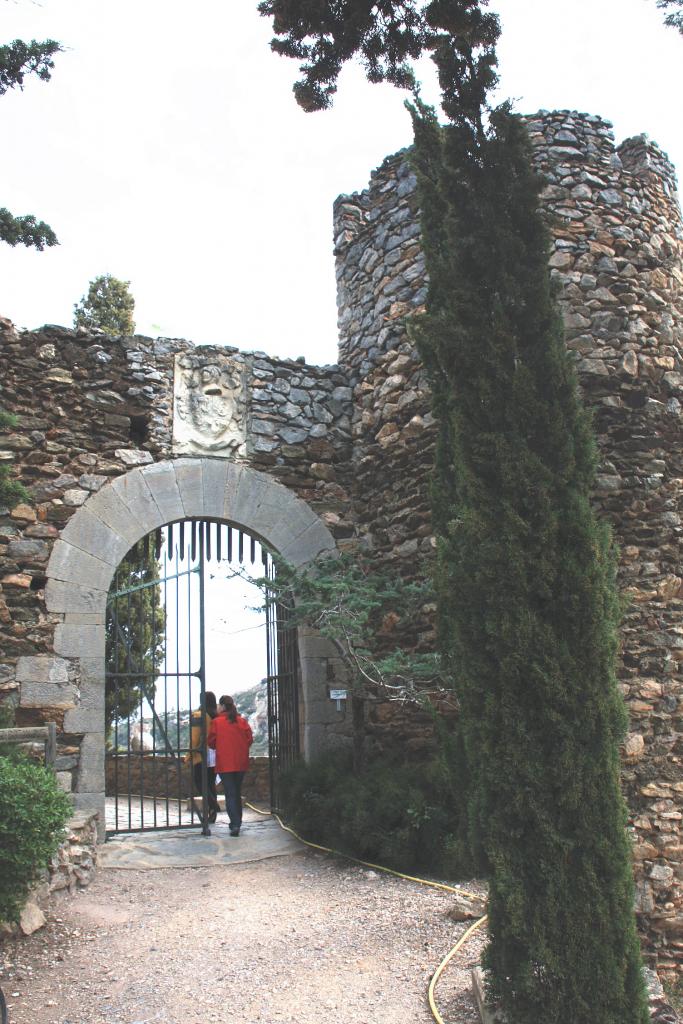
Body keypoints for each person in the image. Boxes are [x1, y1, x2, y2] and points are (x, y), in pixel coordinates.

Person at [208, 695, 253, 837]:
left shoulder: (217, 722)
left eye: (218, 705)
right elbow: (249, 740)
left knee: (231, 793)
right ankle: (237, 821)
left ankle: (235, 824)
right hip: (241, 762)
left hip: (225, 763)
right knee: (236, 792)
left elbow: (211, 742)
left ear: (222, 706)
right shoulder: (242, 721)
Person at [184, 690, 219, 824]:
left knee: (200, 782)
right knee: (210, 784)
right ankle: (212, 812)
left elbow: (194, 738)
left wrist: (189, 754)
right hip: (214, 754)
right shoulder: (216, 716)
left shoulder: (198, 715)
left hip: (201, 755)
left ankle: (213, 805)